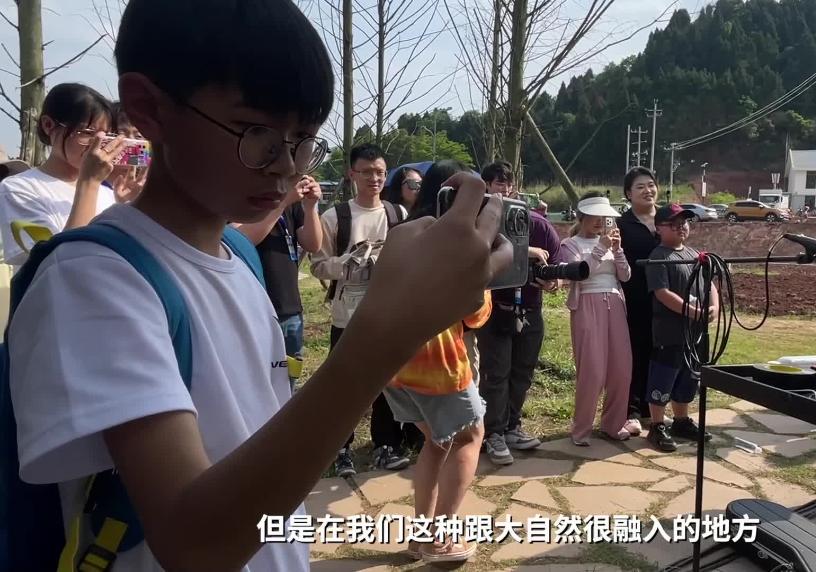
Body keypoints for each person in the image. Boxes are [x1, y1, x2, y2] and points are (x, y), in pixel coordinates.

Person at [6, 1, 511, 570]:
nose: (287, 167)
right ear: (149, 107)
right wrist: (389, 332)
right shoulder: (91, 279)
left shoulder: (239, 254)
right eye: (259, 135)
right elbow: (195, 545)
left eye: (304, 141)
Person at [394, 160, 491, 562]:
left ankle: (421, 536)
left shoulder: (405, 232)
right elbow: (473, 313)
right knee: (470, 436)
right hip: (438, 361)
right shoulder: (458, 242)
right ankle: (440, 538)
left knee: (438, 441)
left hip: (395, 360)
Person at [309, 143, 422, 476]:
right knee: (345, 385)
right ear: (352, 174)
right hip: (348, 315)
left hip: (389, 313)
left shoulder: (397, 214)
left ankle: (385, 444)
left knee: (389, 382)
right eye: (367, 172)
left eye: (380, 172)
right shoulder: (336, 217)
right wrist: (347, 264)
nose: (375, 178)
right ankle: (340, 448)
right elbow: (317, 266)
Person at [477, 160, 561, 465]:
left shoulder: (538, 223)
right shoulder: (481, 223)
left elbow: (556, 261)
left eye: (509, 183)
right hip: (495, 309)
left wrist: (554, 280)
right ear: (486, 186)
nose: (505, 188)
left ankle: (512, 425)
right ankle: (493, 432)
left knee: (523, 372)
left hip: (530, 309)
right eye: (498, 182)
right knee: (496, 373)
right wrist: (526, 252)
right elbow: (478, 254)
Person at [0, 83, 124, 267]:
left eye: (105, 136)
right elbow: (63, 262)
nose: (97, 145)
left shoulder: (108, 193)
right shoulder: (18, 189)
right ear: (48, 125)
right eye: (87, 133)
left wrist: (130, 205)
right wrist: (89, 183)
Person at [235, 175, 324, 390]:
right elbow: (240, 240)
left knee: (286, 380)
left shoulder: (291, 206)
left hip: (289, 309)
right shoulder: (242, 199)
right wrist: (282, 203)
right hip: (254, 311)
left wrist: (310, 207)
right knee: (256, 382)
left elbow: (313, 244)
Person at [644, 204, 719, 452]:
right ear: (659, 229)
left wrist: (714, 307)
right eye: (673, 224)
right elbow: (662, 293)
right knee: (664, 375)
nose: (681, 228)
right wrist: (694, 312)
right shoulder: (659, 256)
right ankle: (657, 424)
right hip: (670, 332)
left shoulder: (695, 254)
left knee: (689, 376)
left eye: (684, 223)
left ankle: (681, 420)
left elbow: (710, 284)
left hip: (694, 334)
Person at [560, 192, 632, 446]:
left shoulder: (612, 243)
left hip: (615, 302)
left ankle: (614, 424)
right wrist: (601, 248)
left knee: (621, 367)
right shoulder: (570, 244)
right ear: (581, 216)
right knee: (592, 369)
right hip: (587, 303)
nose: (600, 221)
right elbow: (579, 273)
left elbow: (625, 275)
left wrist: (618, 250)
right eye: (594, 216)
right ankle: (581, 429)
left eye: (605, 217)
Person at [617, 166, 662, 436]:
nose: (648, 190)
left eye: (651, 185)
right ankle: (631, 410)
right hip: (634, 298)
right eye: (640, 187)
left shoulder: (668, 220)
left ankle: (653, 407)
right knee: (633, 352)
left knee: (660, 352)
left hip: (666, 299)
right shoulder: (622, 225)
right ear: (628, 194)